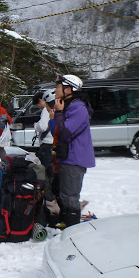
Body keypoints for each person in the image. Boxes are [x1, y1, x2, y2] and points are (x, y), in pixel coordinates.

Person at [53, 74, 95, 228]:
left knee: (70, 196)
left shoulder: (78, 108)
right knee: (63, 194)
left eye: (58, 87)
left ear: (68, 89)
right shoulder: (69, 106)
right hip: (67, 158)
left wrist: (58, 113)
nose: (55, 90)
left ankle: (72, 229)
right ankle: (65, 222)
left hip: (75, 158)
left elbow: (66, 132)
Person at [33, 89, 55, 179]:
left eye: (38, 105)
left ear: (40, 100)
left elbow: (43, 126)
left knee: (44, 170)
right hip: (53, 142)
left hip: (47, 143)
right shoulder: (56, 108)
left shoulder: (46, 110)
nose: (39, 107)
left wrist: (36, 125)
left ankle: (45, 188)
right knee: (52, 169)